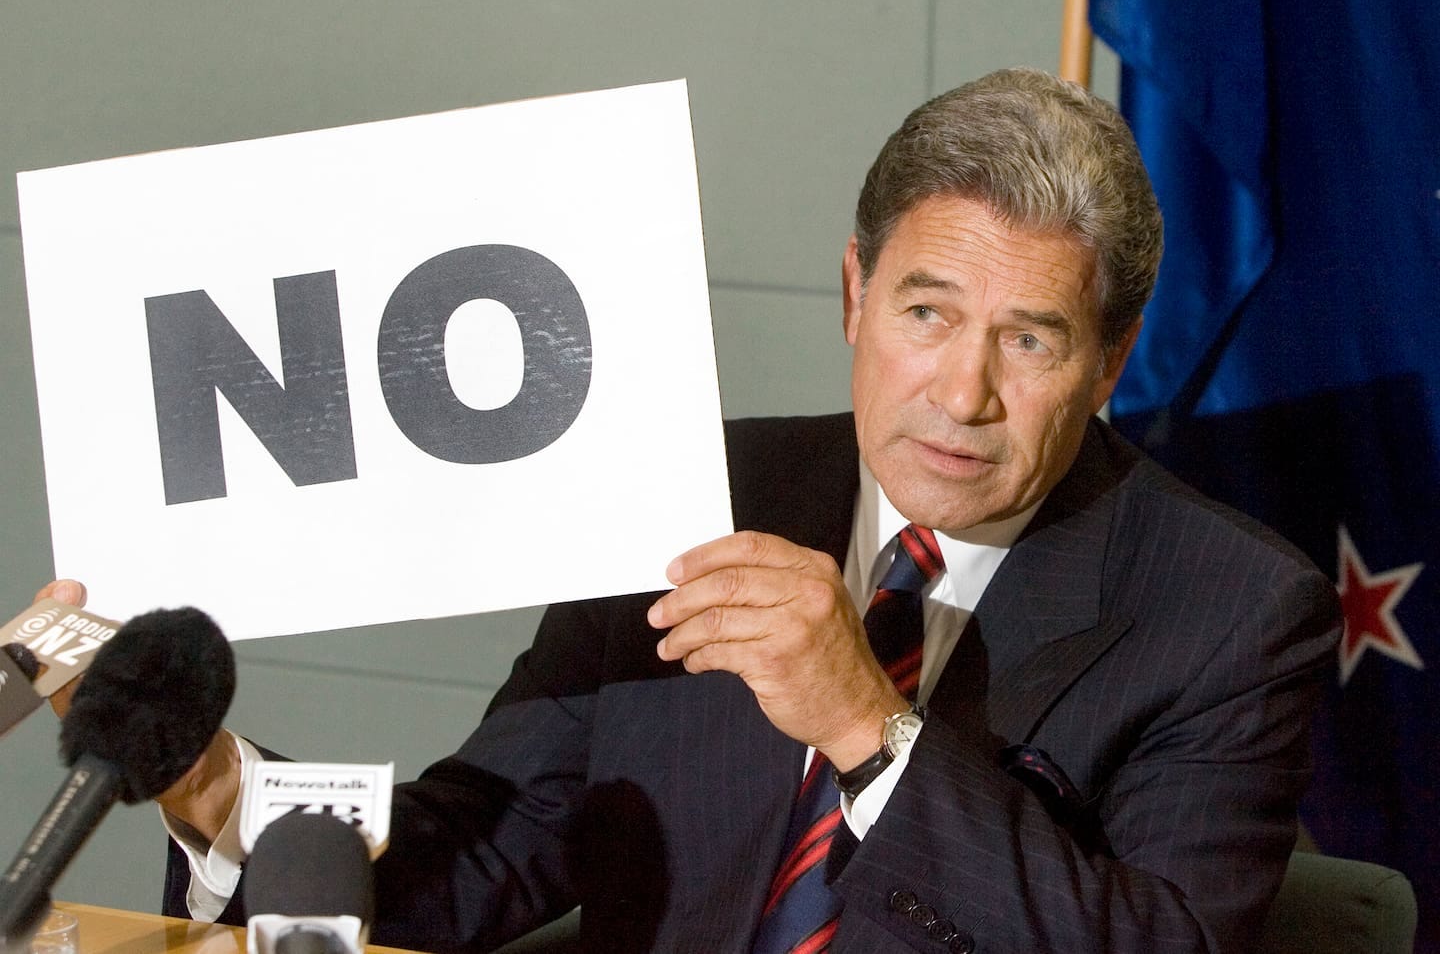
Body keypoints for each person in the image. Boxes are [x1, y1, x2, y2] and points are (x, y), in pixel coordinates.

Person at [39, 68, 1339, 952]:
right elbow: (481, 856)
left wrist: (868, 727)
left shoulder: (1231, 608)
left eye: (1033, 340)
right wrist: (217, 792)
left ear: (1111, 363)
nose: (962, 391)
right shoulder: (681, 492)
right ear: (853, 299)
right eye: (926, 312)